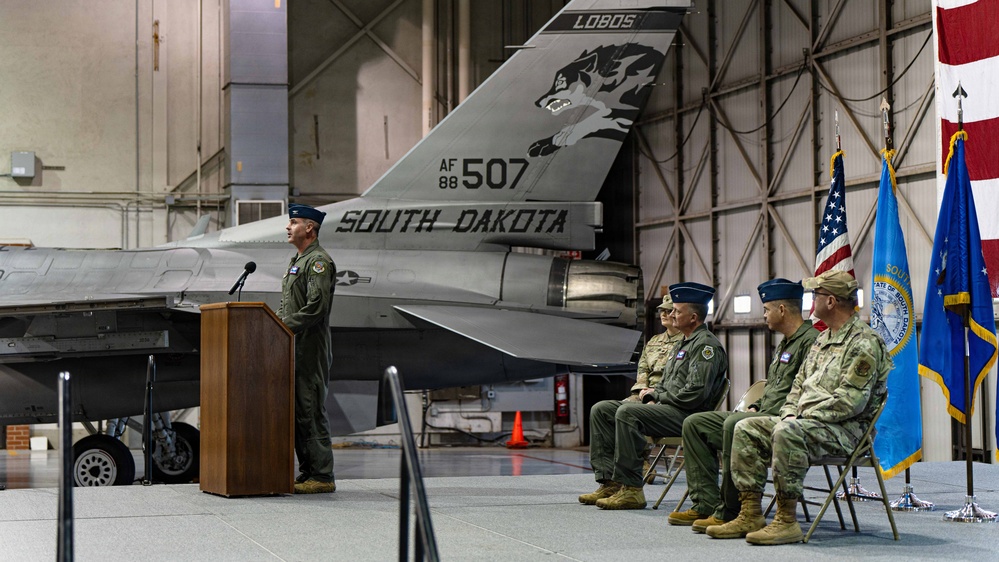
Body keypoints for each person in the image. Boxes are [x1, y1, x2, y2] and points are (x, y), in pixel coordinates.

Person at [707, 270, 891, 544]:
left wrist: (798, 415)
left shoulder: (863, 343)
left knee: (787, 430)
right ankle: (751, 513)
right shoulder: (822, 339)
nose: (810, 301)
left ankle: (786, 520)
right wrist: (790, 411)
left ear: (830, 302)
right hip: (807, 422)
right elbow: (798, 387)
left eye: (815, 295)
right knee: (746, 427)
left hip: (846, 432)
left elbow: (851, 402)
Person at [670, 279, 818, 530]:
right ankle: (705, 502)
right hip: (764, 415)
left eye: (766, 309)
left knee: (734, 424)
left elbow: (805, 389)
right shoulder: (786, 341)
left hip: (785, 422)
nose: (764, 315)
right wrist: (756, 405)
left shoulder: (809, 341)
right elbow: (776, 386)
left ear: (782, 310)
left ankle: (731, 509)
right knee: (696, 423)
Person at [579, 282, 729, 510]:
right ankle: (610, 482)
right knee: (602, 409)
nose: (672, 314)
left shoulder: (705, 347)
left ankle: (631, 490)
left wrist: (657, 396)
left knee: (628, 412)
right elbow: (668, 382)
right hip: (670, 408)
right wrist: (654, 394)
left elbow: (694, 394)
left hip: (688, 414)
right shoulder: (684, 343)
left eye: (678, 311)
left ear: (693, 317)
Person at [277, 203, 337, 494]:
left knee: (310, 410)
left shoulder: (318, 262)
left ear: (309, 228)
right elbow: (287, 303)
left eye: (294, 222)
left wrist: (283, 326)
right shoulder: (296, 260)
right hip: (294, 346)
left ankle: (323, 475)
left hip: (310, 349)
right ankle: (308, 472)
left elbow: (316, 307)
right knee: (299, 410)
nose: (288, 227)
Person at [625, 295, 684, 403]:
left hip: (668, 394)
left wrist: (655, 394)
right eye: (662, 310)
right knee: (608, 408)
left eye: (669, 310)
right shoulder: (654, 341)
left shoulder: (686, 342)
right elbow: (643, 368)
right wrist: (643, 390)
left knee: (625, 412)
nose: (663, 314)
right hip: (644, 392)